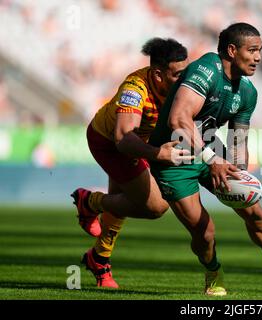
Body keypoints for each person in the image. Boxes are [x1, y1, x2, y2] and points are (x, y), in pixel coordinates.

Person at [149, 22, 262, 296]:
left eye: (261, 50)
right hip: (173, 157)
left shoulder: (247, 92)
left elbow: (237, 143)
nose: (258, 57)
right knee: (204, 231)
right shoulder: (206, 69)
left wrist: (240, 175)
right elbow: (177, 120)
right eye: (253, 50)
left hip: (209, 149)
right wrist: (212, 160)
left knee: (254, 210)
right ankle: (213, 272)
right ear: (232, 51)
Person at [71, 38, 192, 288]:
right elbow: (123, 138)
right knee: (155, 207)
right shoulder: (135, 89)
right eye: (178, 74)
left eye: (186, 73)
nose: (184, 80)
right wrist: (159, 154)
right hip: (110, 143)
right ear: (158, 75)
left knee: (121, 204)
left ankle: (99, 260)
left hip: (138, 144)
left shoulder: (180, 89)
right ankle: (90, 201)